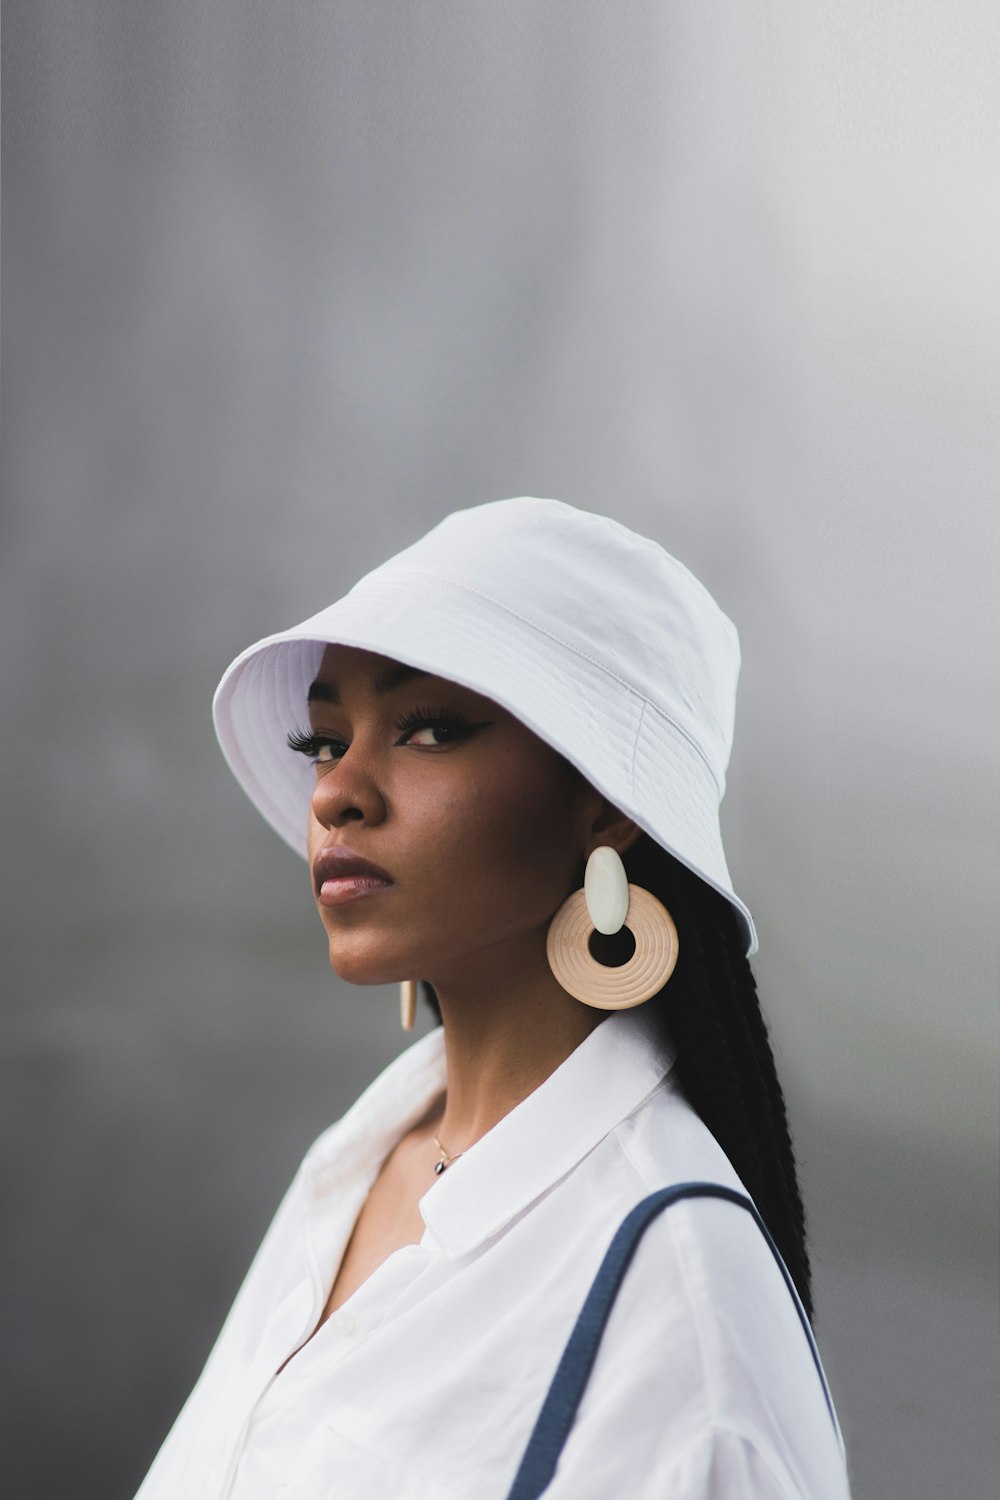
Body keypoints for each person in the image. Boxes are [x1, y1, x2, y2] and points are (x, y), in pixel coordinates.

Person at [135, 497, 851, 1499]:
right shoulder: (361, 1157)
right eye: (322, 740)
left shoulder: (683, 1324)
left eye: (429, 728)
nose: (336, 790)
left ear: (603, 801)